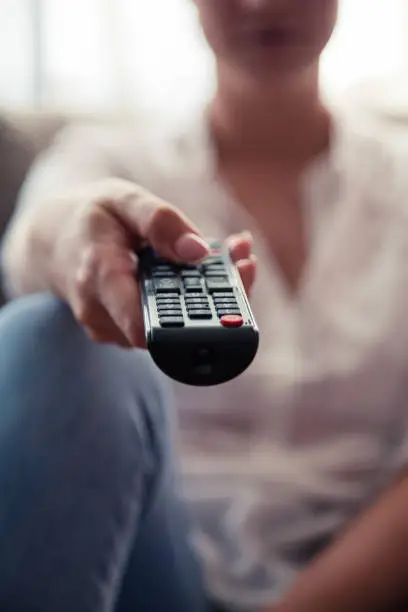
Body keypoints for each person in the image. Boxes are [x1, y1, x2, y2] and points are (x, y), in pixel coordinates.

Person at [1, 0, 408, 610]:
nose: (263, 4)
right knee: (43, 332)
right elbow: (32, 247)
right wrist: (72, 243)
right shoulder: (111, 159)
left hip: (350, 573)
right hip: (152, 559)